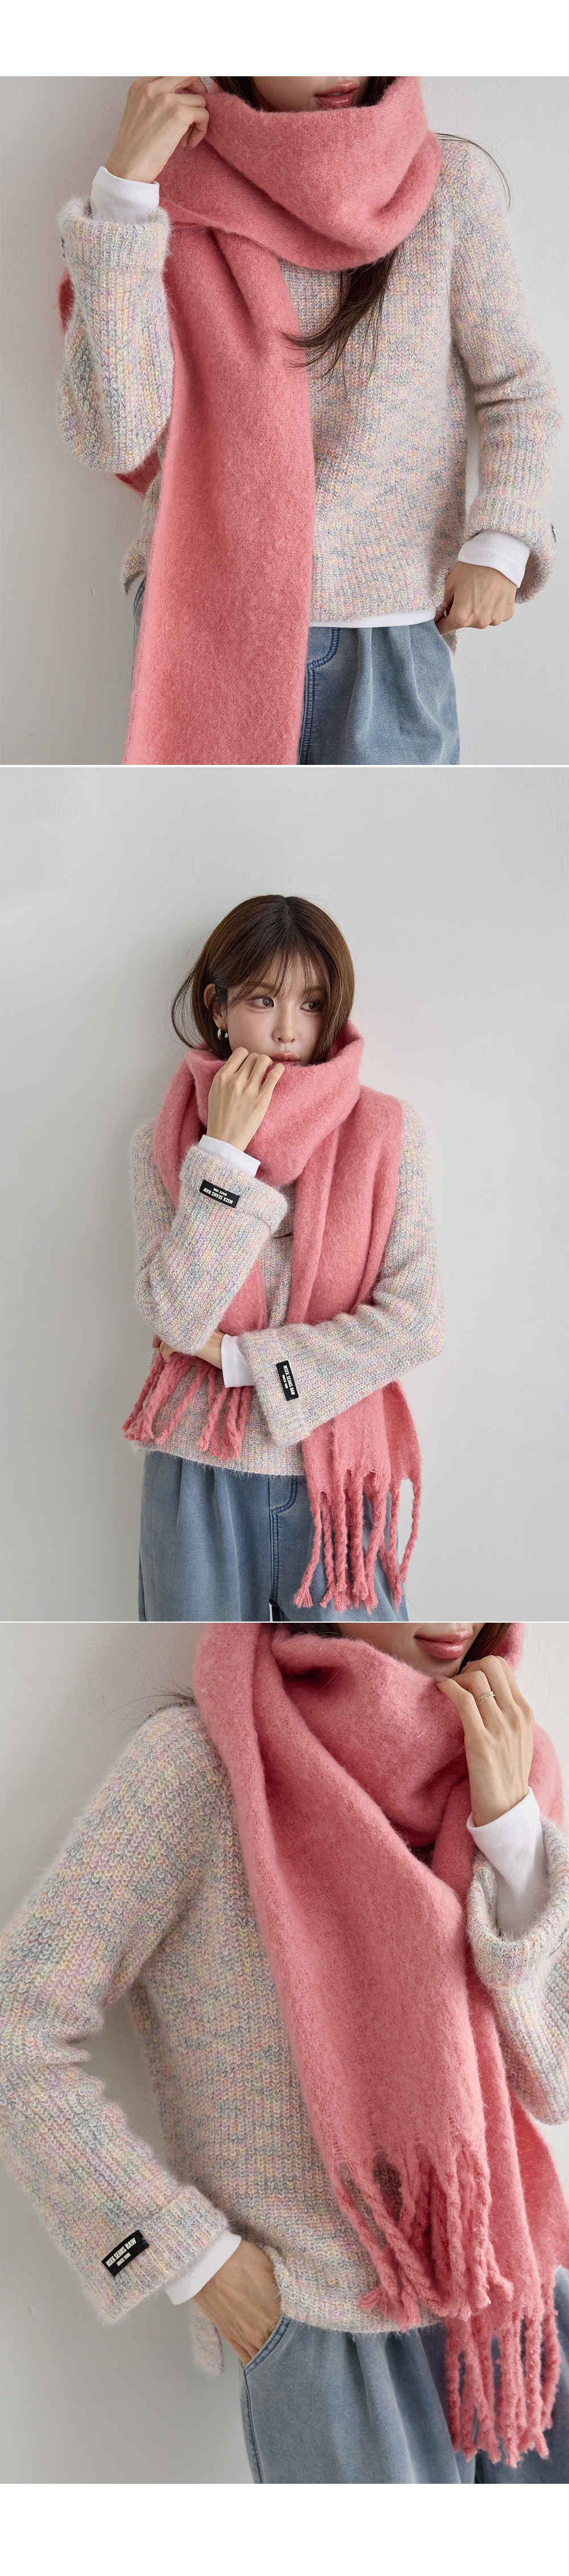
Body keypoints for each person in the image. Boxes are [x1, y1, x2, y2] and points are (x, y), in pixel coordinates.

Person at [0, 1621, 567, 2485]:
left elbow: (552, 2080)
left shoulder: (507, 1769)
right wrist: (191, 2259)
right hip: (331, 2338)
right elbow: (18, 2025)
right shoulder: (204, 1765)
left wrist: (515, 1836)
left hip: (521, 2314)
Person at [57, 77, 560, 766]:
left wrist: (501, 542)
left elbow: (515, 387)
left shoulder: (447, 185)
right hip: (207, 627)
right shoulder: (172, 196)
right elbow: (113, 435)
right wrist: (124, 193)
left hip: (390, 633)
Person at [123, 892, 443, 1619]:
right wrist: (225, 1155)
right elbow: (176, 1315)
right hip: (196, 1467)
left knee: (360, 1677)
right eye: (263, 1000)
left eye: (312, 1003)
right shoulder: (164, 1141)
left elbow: (416, 1321)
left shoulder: (389, 1132)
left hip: (338, 1480)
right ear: (218, 1005)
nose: (289, 1030)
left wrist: (243, 1361)